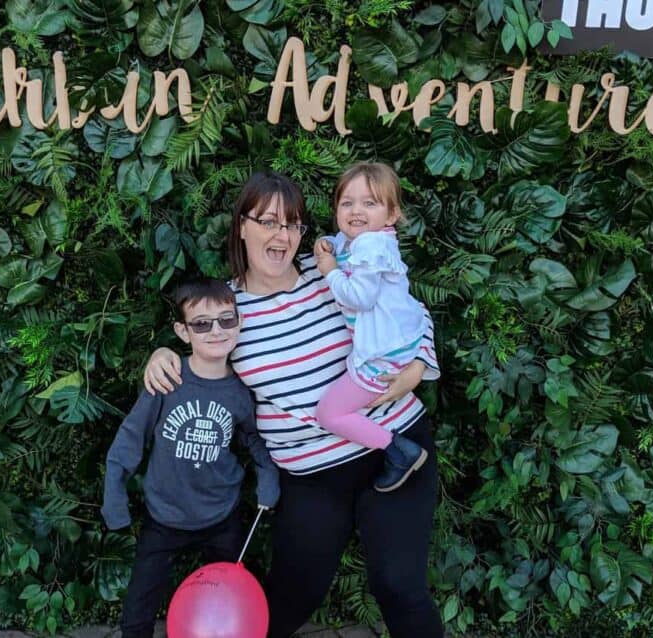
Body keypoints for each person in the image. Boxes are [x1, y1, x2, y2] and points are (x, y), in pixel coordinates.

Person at [143, 171, 444, 638]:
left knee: (398, 586)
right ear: (241, 227)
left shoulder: (334, 273)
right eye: (267, 221)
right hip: (312, 476)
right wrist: (165, 355)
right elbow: (202, 351)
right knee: (289, 595)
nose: (281, 235)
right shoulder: (229, 306)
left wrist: (419, 367)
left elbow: (410, 312)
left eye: (293, 224)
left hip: (395, 451)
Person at [101, 277, 280, 638]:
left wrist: (268, 479)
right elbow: (131, 438)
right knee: (140, 604)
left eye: (226, 320)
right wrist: (114, 499)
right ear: (183, 332)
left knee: (230, 599)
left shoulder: (241, 393)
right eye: (202, 323)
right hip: (164, 516)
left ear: (239, 322)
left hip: (220, 515)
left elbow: (254, 441)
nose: (216, 331)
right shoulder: (167, 380)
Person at [313, 162, 438, 492]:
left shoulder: (371, 248)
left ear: (392, 213)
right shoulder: (371, 240)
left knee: (330, 413)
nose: (356, 211)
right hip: (396, 346)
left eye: (370, 203)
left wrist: (328, 269)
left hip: (383, 359)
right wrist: (328, 243)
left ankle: (398, 450)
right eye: (347, 203)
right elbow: (345, 244)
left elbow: (360, 297)